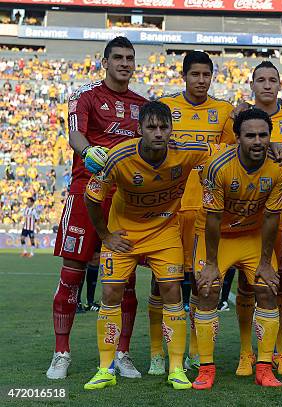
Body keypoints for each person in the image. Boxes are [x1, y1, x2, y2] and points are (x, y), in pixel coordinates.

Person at [82, 101, 223, 390]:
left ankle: (175, 368)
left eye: (164, 127)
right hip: (124, 235)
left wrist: (273, 148)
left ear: (171, 130)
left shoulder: (188, 152)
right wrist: (105, 235)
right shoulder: (118, 157)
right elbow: (91, 198)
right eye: (151, 127)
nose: (158, 133)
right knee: (110, 292)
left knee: (172, 291)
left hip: (164, 232)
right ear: (139, 129)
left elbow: (222, 154)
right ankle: (105, 368)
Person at [48, 36, 147, 380]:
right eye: (117, 57)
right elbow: (74, 136)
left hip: (125, 200)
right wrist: (87, 151)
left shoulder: (142, 105)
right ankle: (62, 353)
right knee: (72, 275)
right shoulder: (85, 96)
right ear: (105, 62)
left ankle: (123, 352)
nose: (124, 63)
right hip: (85, 193)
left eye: (129, 58)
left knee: (126, 280)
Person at [193, 108, 282, 389]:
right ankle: (206, 368)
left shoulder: (281, 167)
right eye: (250, 135)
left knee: (268, 288)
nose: (258, 141)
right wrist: (211, 263)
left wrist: (264, 262)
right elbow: (213, 218)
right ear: (237, 137)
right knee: (207, 290)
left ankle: (263, 367)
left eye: (263, 135)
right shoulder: (217, 166)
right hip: (218, 237)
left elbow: (273, 218)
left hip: (252, 236)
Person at [223, 60, 282, 377]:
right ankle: (247, 353)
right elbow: (231, 155)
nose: (267, 85)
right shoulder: (238, 118)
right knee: (250, 287)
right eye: (261, 79)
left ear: (280, 83)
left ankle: (281, 352)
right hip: (251, 219)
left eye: (273, 79)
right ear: (252, 83)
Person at [152, 50, 234, 375]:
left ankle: (197, 353)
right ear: (184, 76)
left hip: (205, 211)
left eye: (206, 75)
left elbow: (231, 157)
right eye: (195, 74)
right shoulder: (166, 108)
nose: (201, 80)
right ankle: (160, 353)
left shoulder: (224, 112)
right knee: (163, 284)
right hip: (170, 210)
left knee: (202, 284)